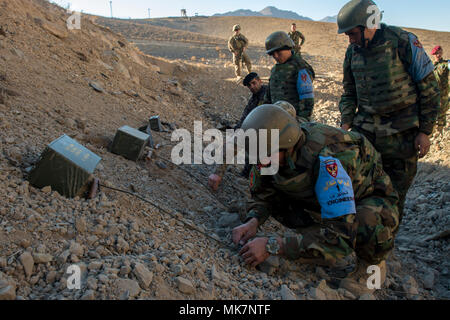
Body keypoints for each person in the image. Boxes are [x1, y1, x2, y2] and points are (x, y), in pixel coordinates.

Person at [232, 104, 400, 297]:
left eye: (264, 155)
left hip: (368, 197)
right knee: (282, 206)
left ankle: (373, 265)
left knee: (366, 221)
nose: (260, 162)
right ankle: (314, 242)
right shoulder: (271, 155)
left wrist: (273, 245)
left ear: (286, 144)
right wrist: (254, 220)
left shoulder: (328, 160)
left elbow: (341, 237)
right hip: (322, 196)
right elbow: (264, 195)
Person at [337, 0, 440, 222]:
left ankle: (386, 245)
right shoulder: (352, 52)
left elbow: (429, 87)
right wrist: (345, 124)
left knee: (394, 196)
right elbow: (349, 92)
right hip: (366, 136)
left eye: (353, 33)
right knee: (363, 189)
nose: (350, 39)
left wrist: (425, 131)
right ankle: (363, 239)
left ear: (370, 25)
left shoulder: (402, 42)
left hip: (402, 137)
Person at [208, 73, 267, 190]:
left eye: (254, 83)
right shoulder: (254, 98)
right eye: (249, 86)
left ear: (260, 81)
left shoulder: (269, 94)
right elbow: (244, 117)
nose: (252, 87)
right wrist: (234, 133)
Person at [263, 31, 315, 121]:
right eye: (272, 54)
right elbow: (269, 95)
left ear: (287, 47)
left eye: (278, 52)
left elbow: (307, 99)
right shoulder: (275, 69)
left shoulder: (299, 67)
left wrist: (301, 121)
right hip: (277, 119)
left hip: (294, 121)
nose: (275, 56)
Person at [431, 45, 449, 136]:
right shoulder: (431, 66)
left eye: (440, 52)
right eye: (437, 53)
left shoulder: (445, 64)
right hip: (433, 93)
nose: (439, 54)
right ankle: (433, 130)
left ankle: (441, 131)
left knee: (442, 111)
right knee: (433, 111)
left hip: (443, 93)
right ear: (434, 54)